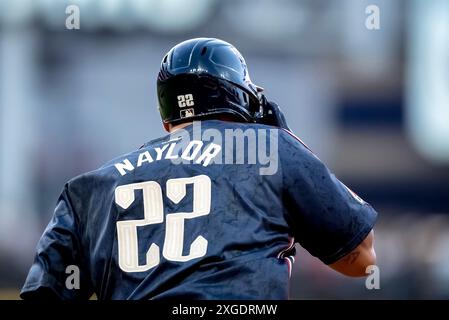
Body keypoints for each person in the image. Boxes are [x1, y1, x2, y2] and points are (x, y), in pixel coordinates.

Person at [21, 38, 377, 300]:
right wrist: (286, 139)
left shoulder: (90, 187)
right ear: (243, 98)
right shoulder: (271, 148)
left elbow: (45, 294)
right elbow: (361, 259)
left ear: (166, 118)